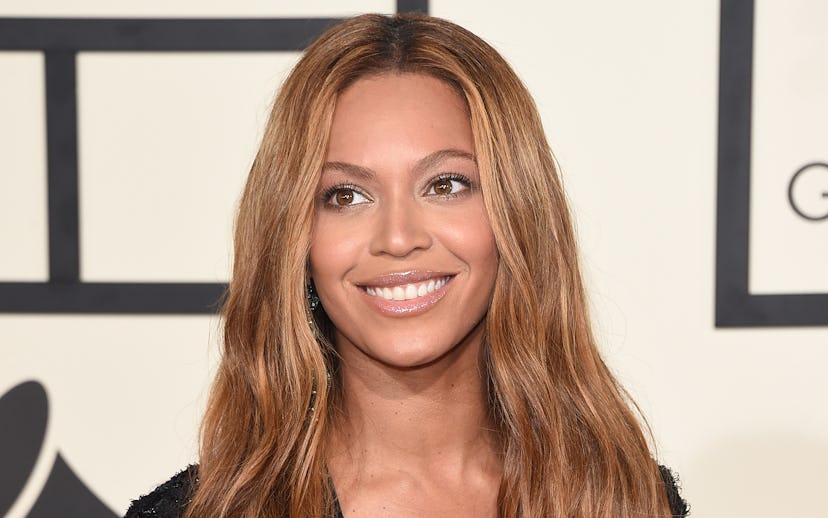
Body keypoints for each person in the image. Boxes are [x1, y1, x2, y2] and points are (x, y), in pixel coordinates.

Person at [126, 13, 688, 518]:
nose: (398, 238)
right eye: (345, 195)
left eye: (445, 185)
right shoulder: (205, 512)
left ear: (516, 217)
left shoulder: (623, 500)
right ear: (296, 239)